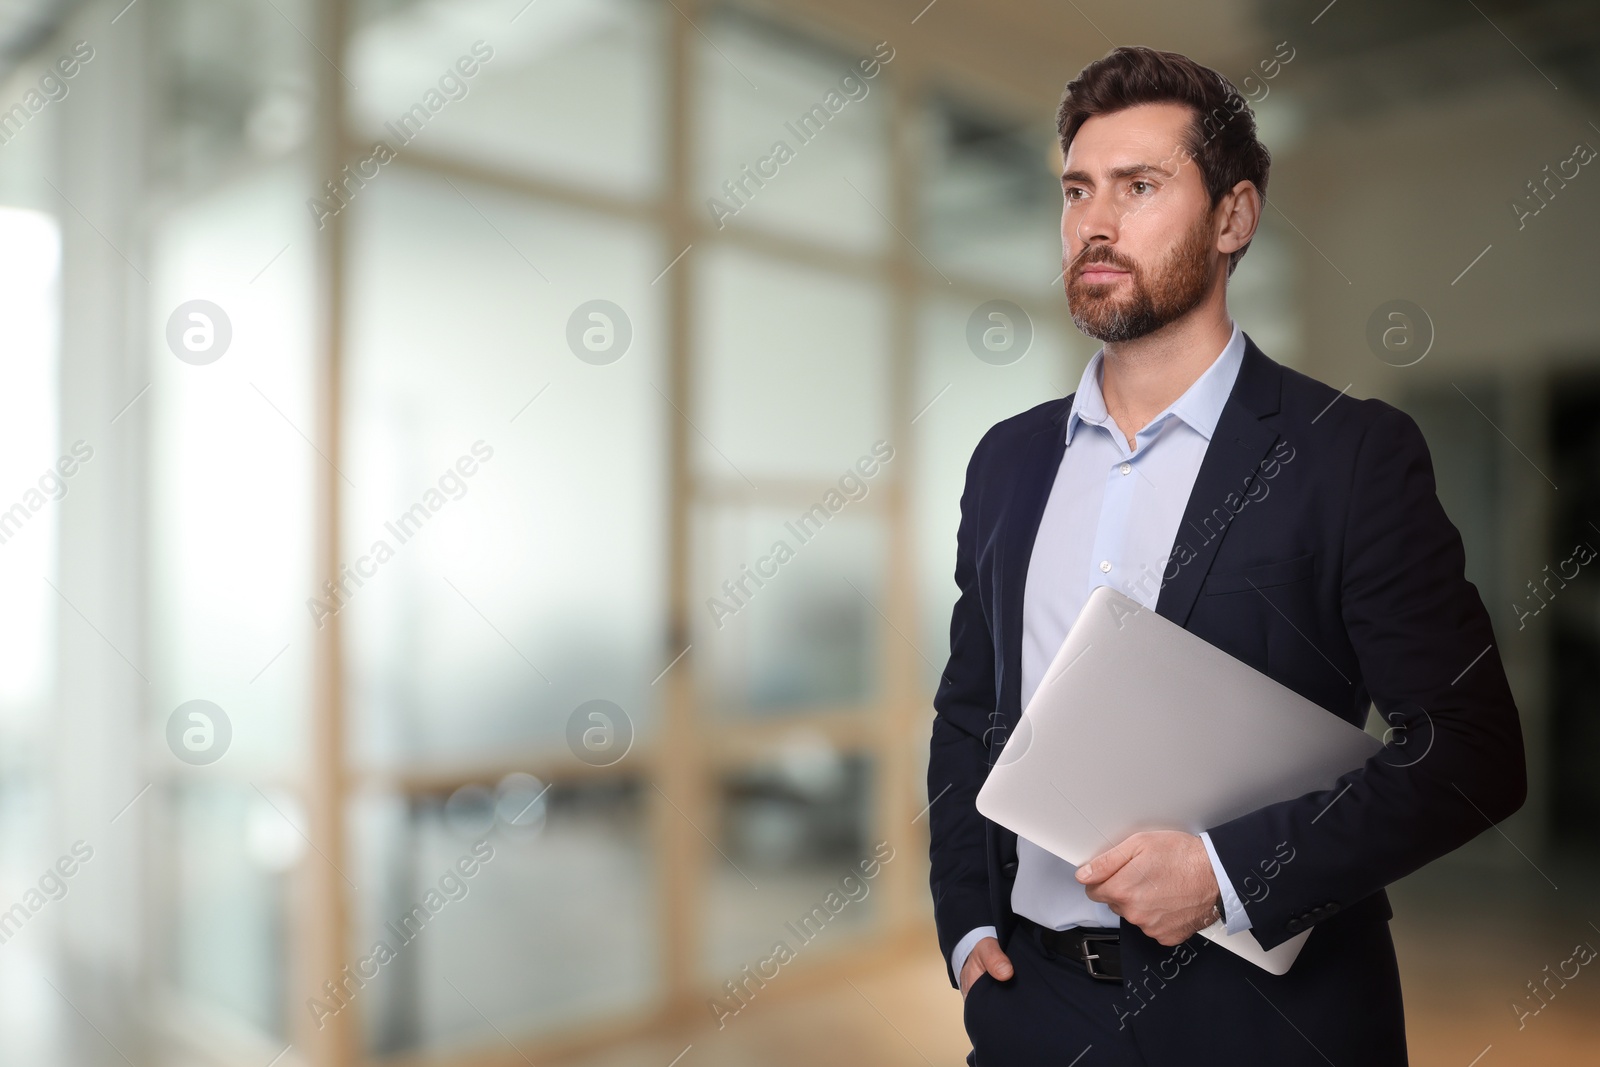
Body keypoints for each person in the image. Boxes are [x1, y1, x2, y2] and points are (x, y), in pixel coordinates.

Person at [927, 45, 1527, 1066]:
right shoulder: (1007, 460)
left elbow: (1470, 749)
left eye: (1139, 186)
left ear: (1233, 218)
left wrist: (1222, 872)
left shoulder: (1347, 454)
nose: (1095, 222)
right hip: (1035, 1010)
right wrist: (969, 919)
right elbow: (969, 705)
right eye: (1077, 190)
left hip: (1264, 1021)